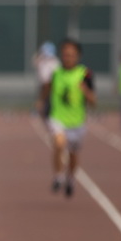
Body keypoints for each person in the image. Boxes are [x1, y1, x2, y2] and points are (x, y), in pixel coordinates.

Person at [42, 38, 96, 198]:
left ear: (78, 56)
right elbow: (47, 89)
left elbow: (94, 101)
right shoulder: (56, 73)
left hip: (77, 121)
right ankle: (58, 176)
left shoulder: (85, 74)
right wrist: (41, 101)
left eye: (71, 55)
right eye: (65, 55)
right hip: (57, 117)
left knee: (73, 155)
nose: (68, 58)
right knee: (59, 143)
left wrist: (85, 91)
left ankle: (70, 178)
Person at [33, 41, 60, 121]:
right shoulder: (42, 61)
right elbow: (35, 61)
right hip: (45, 87)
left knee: (49, 114)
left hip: (52, 89)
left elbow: (47, 83)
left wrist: (41, 100)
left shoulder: (55, 63)